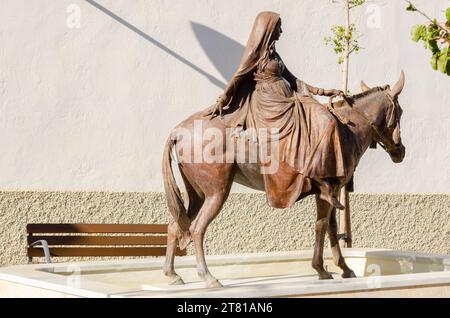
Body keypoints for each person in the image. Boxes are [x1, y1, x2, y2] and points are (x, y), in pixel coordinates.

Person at [205, 12, 348, 210]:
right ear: (268, 29)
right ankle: (312, 177)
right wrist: (223, 99)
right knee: (309, 127)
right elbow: (238, 76)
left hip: (288, 98)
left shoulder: (273, 54)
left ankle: (324, 180)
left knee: (327, 120)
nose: (281, 31)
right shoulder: (254, 54)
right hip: (269, 104)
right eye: (279, 27)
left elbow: (293, 79)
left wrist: (323, 91)